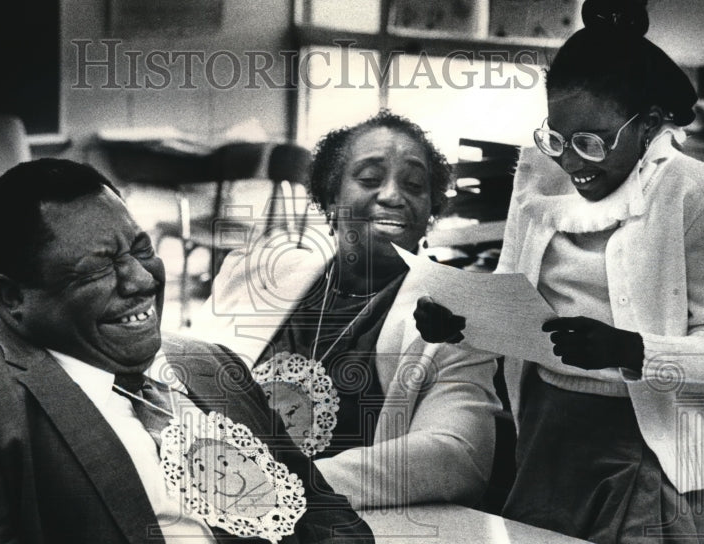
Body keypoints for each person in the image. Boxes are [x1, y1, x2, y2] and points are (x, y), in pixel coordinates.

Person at [0, 159, 377, 544]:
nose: (140, 280)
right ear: (12, 297)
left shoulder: (211, 365)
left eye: (141, 249)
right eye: (97, 268)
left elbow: (328, 512)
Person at [415, 0, 704, 544]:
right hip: (545, 433)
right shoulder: (540, 175)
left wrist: (630, 349)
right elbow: (514, 305)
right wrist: (459, 323)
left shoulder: (692, 188)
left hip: (645, 443)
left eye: (593, 141)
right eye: (559, 137)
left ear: (647, 127)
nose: (572, 160)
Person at [194, 110, 500, 509]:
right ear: (330, 195)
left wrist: (275, 486)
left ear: (430, 212)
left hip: (344, 535)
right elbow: (184, 391)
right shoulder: (254, 272)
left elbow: (458, 455)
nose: (392, 196)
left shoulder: (451, 315)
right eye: (370, 179)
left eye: (414, 184)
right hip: (216, 510)